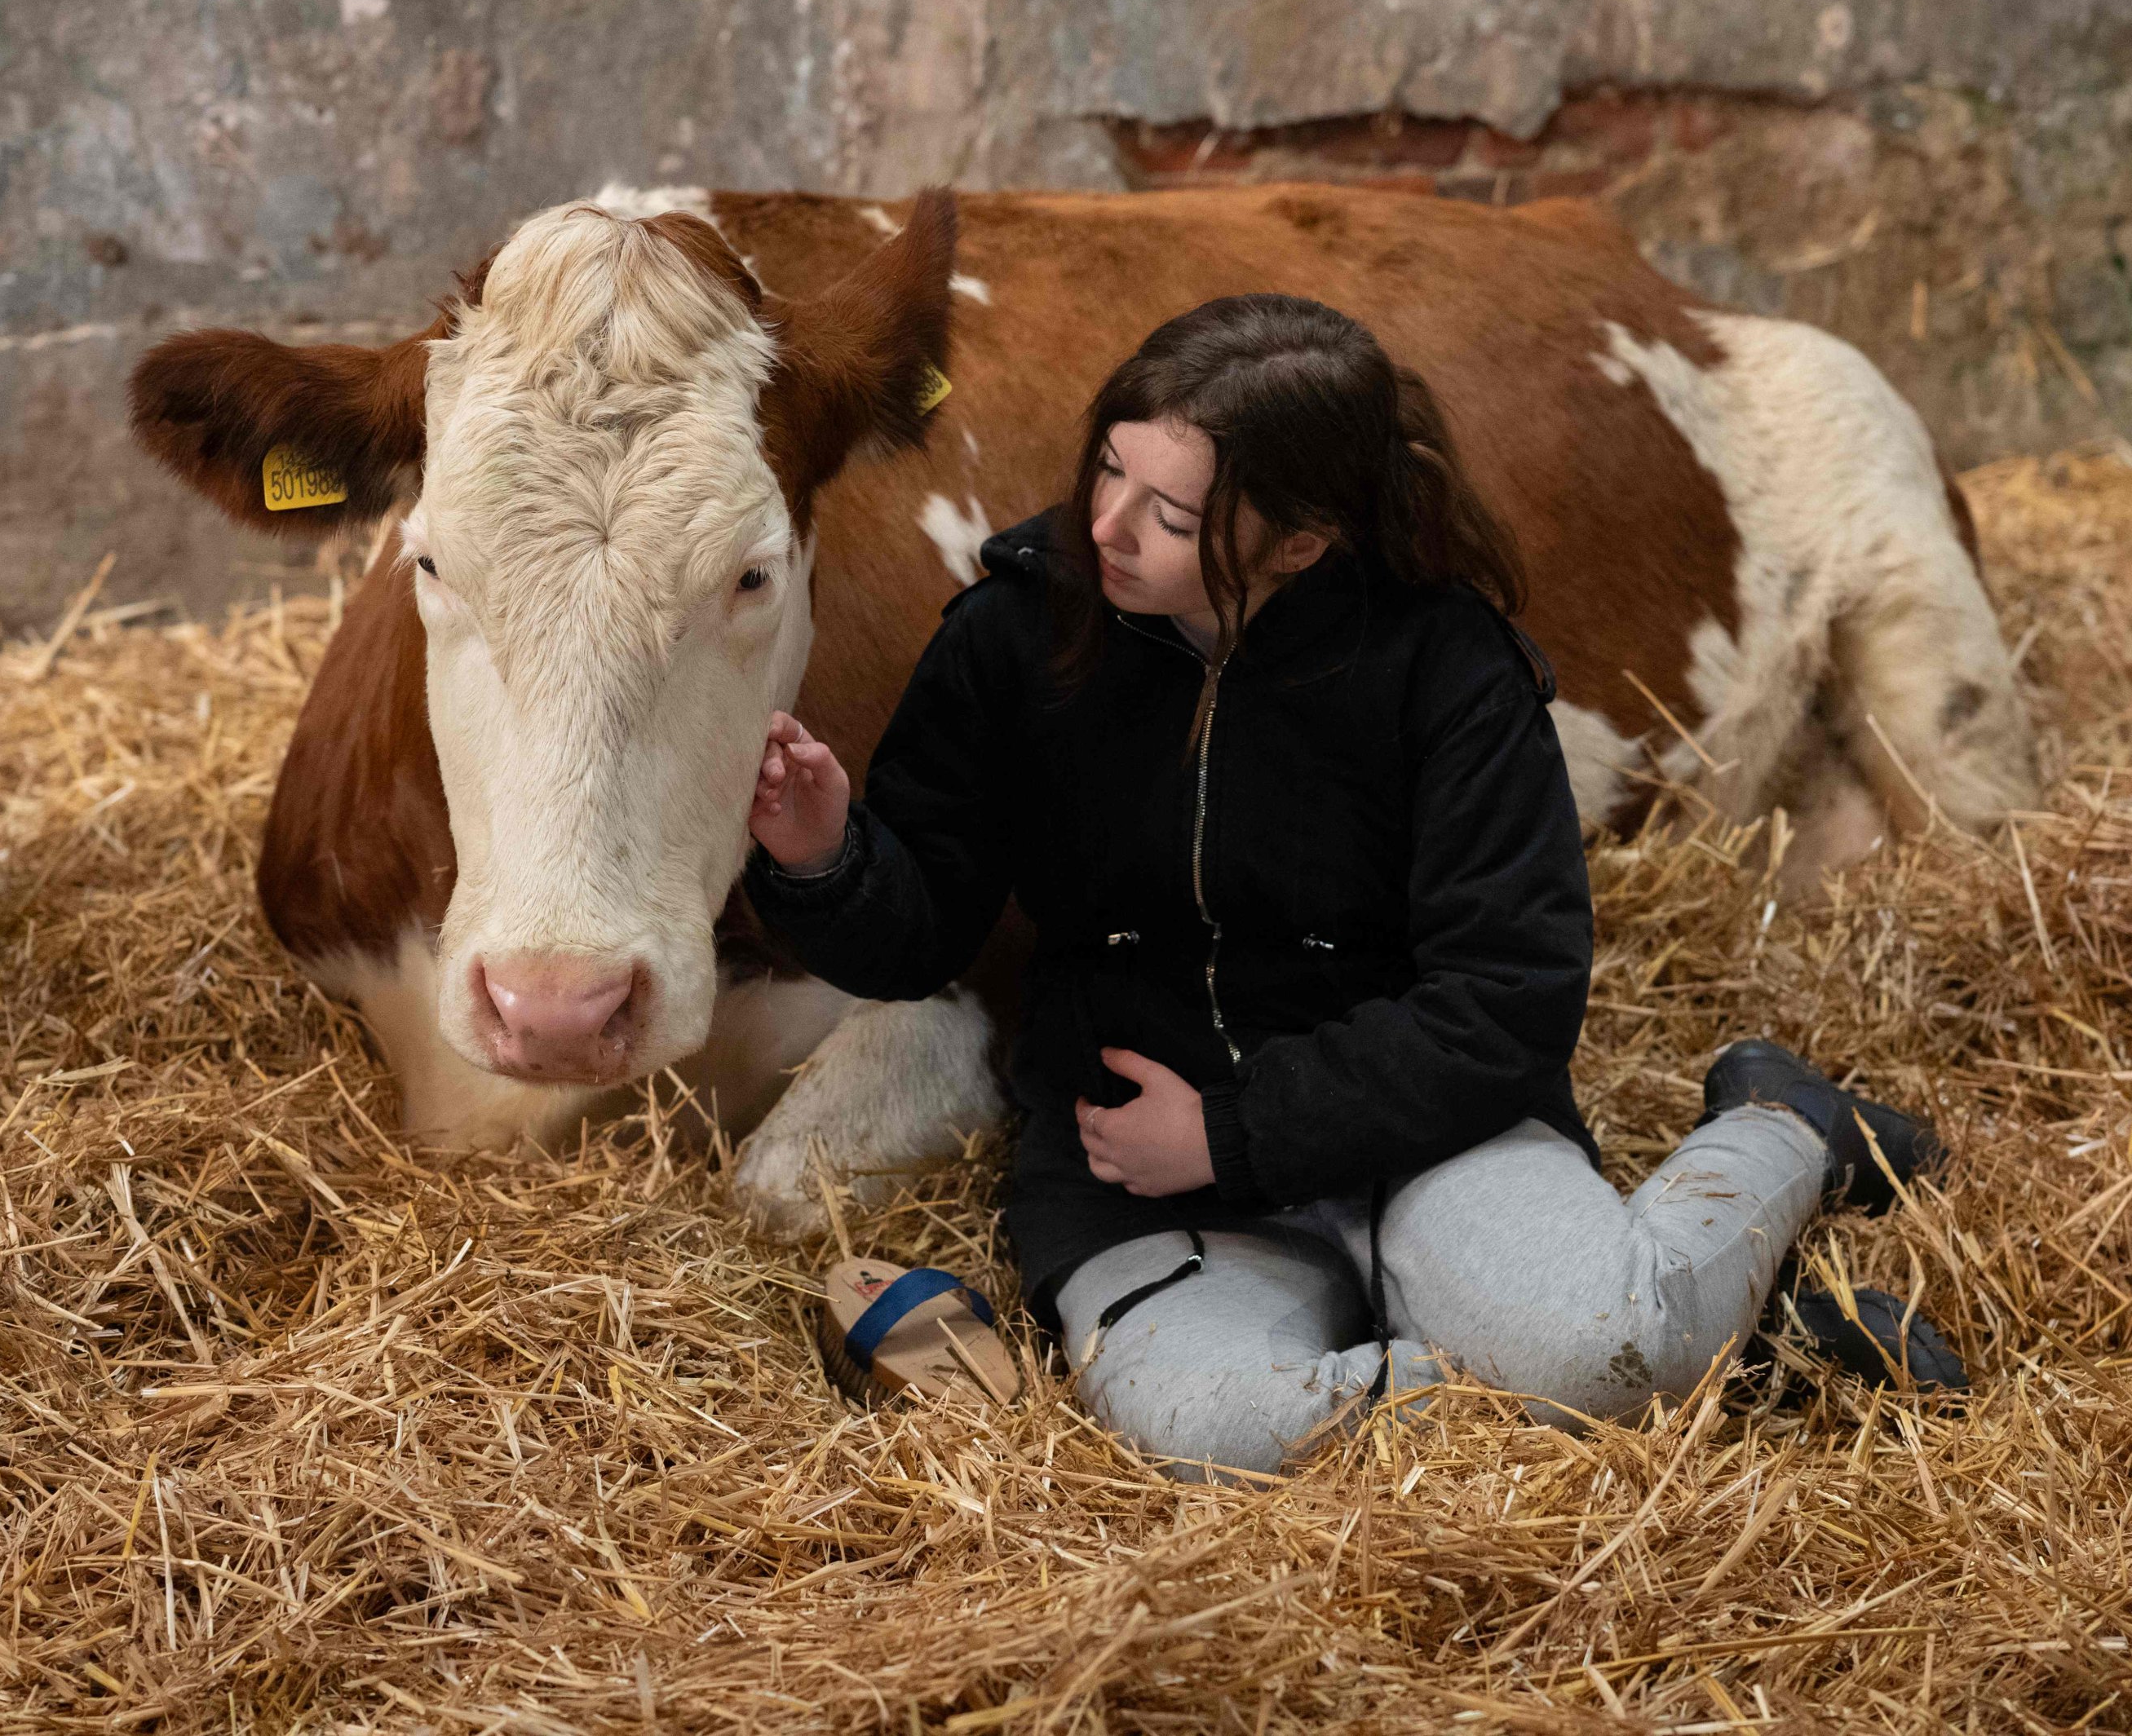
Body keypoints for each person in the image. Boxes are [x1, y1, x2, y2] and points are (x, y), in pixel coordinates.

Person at [745, 294, 1962, 1476]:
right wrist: (826, 854)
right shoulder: (1015, 637)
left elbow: (1506, 997)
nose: (1107, 524)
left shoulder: (1450, 672)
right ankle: (1729, 1363)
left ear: (1299, 541)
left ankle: (1780, 1126)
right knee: (1213, 1435)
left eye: (1168, 512)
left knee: (1613, 1344)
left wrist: (1234, 1128)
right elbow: (922, 937)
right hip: (1143, 1182)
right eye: (1107, 467)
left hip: (1427, 1140)